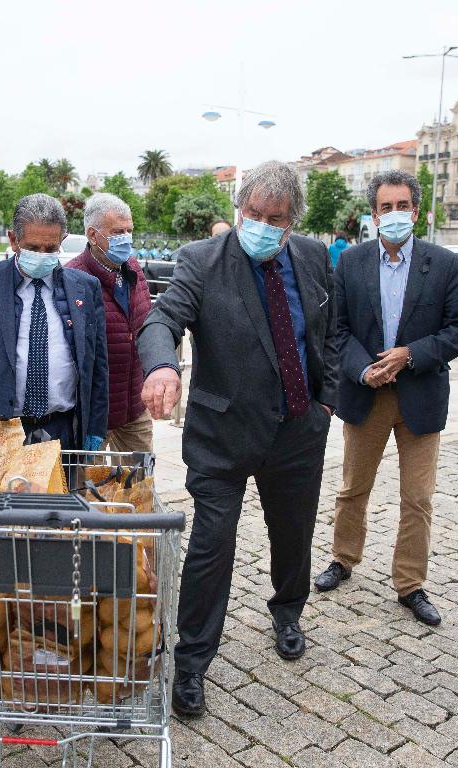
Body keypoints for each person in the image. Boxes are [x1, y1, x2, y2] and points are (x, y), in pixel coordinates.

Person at [138, 161, 340, 717]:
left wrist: (328, 401)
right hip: (223, 433)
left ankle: (288, 610)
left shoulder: (315, 258)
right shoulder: (202, 261)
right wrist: (162, 367)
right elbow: (162, 318)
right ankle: (193, 661)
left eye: (275, 218)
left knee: (293, 533)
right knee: (212, 545)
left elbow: (333, 331)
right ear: (240, 208)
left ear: (292, 222)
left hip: (298, 429)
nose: (262, 225)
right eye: (253, 213)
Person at [313, 169, 458, 627]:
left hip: (420, 397)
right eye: (386, 207)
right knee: (352, 489)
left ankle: (410, 584)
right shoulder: (350, 263)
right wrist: (365, 368)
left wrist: (411, 355)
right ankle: (343, 560)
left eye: (403, 206)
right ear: (374, 214)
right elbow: (337, 330)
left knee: (417, 498)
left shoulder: (443, 264)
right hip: (367, 395)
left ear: (416, 212)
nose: (395, 214)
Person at [0, 194, 108, 456]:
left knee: (61, 497)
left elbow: (98, 365)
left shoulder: (86, 289)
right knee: (4, 499)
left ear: (62, 242)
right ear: (13, 239)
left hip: (63, 431)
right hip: (0, 431)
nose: (42, 255)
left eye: (50, 248)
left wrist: (96, 426)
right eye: (33, 248)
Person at [66, 194, 154, 453]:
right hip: (92, 413)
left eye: (129, 230)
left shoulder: (134, 269)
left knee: (140, 485)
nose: (126, 238)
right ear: (93, 235)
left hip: (133, 408)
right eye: (118, 232)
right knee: (87, 488)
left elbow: (144, 321)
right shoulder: (73, 278)